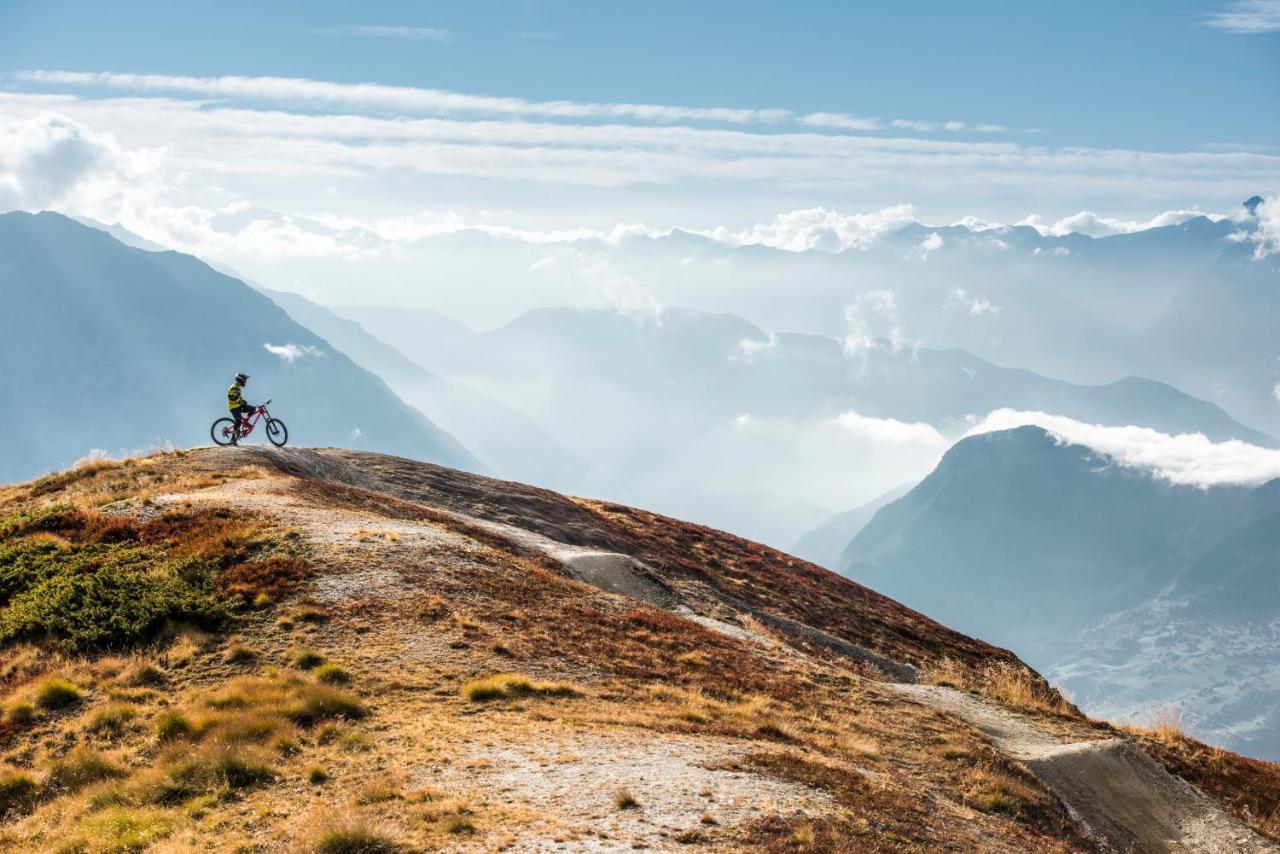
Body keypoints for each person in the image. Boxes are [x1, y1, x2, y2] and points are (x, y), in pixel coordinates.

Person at [227, 373, 256, 444]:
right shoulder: (234, 387)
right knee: (238, 421)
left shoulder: (238, 387)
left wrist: (242, 401)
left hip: (238, 406)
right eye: (245, 380)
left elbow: (238, 397)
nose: (245, 382)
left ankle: (245, 423)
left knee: (252, 409)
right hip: (234, 408)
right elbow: (231, 398)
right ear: (241, 380)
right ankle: (233, 439)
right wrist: (241, 402)